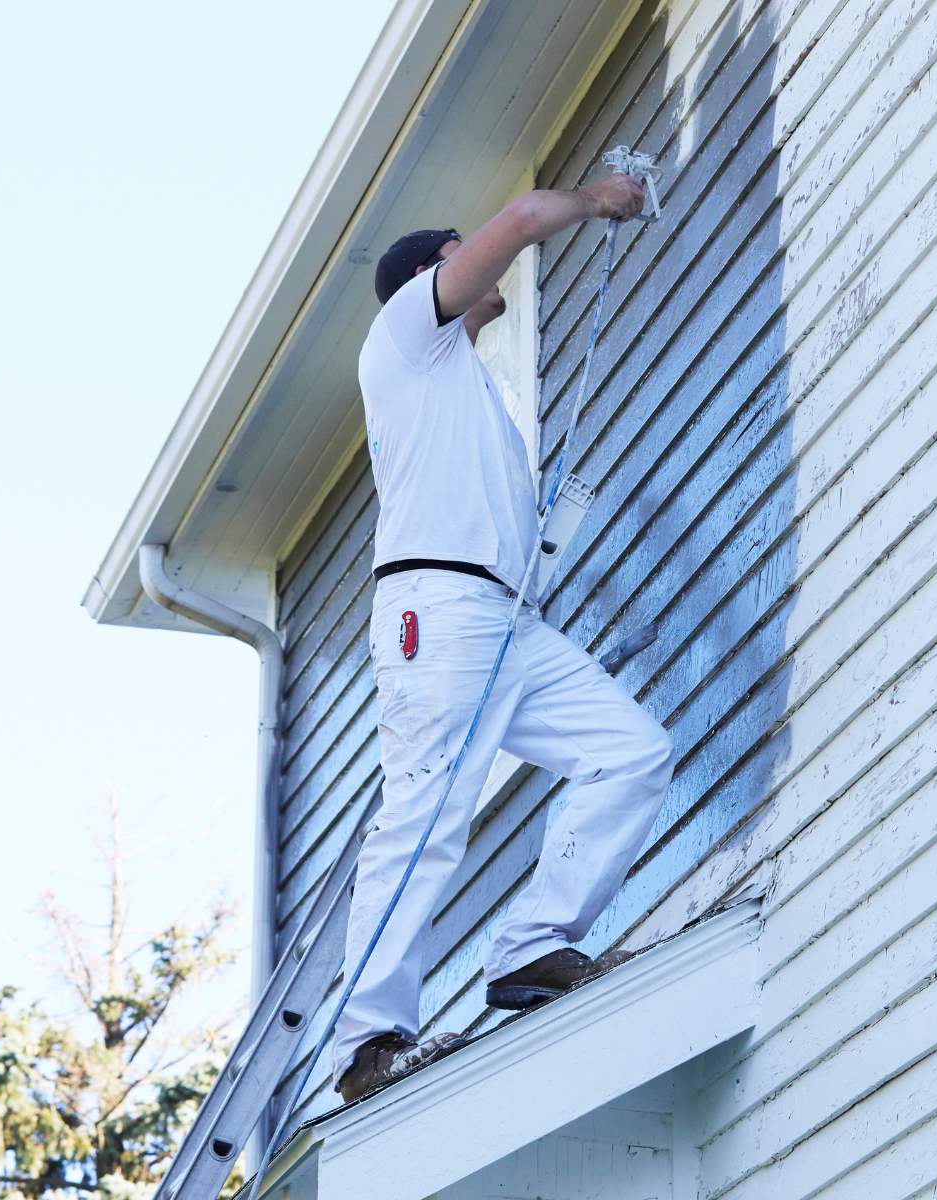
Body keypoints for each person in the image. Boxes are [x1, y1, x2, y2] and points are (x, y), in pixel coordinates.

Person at [329, 168, 674, 1103]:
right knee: (426, 817)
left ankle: (531, 947)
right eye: (457, 250)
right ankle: (367, 1043)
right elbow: (521, 220)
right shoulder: (405, 338)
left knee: (631, 752)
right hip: (437, 611)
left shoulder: (464, 388)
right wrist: (598, 200)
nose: (477, 258)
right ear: (430, 276)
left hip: (508, 624)